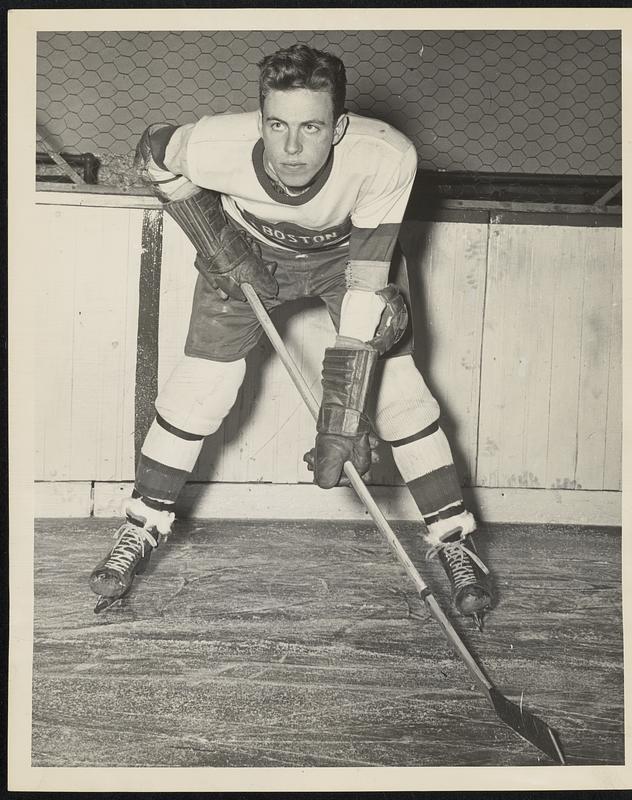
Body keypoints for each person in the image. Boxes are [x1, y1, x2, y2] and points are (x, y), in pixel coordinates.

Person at [89, 43, 493, 625]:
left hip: (347, 262)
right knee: (199, 392)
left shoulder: (383, 156)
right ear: (260, 121)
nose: (293, 147)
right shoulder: (211, 145)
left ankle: (454, 540)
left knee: (398, 393)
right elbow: (154, 153)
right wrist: (212, 239)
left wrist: (342, 417)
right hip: (244, 255)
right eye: (277, 125)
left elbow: (368, 282)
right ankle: (139, 530)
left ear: (340, 126)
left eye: (312, 126)